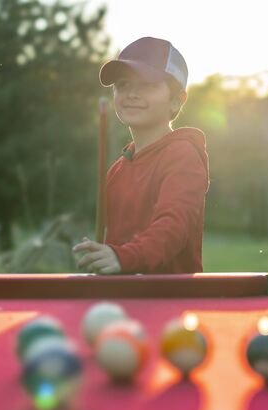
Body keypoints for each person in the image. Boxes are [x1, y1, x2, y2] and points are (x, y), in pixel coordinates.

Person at [73, 36, 209, 274]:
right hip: (124, 300)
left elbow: (172, 228)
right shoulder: (117, 169)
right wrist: (105, 257)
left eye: (147, 85)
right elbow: (117, 245)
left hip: (169, 302)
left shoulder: (183, 155)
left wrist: (124, 257)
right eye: (123, 85)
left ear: (177, 100)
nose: (132, 94)